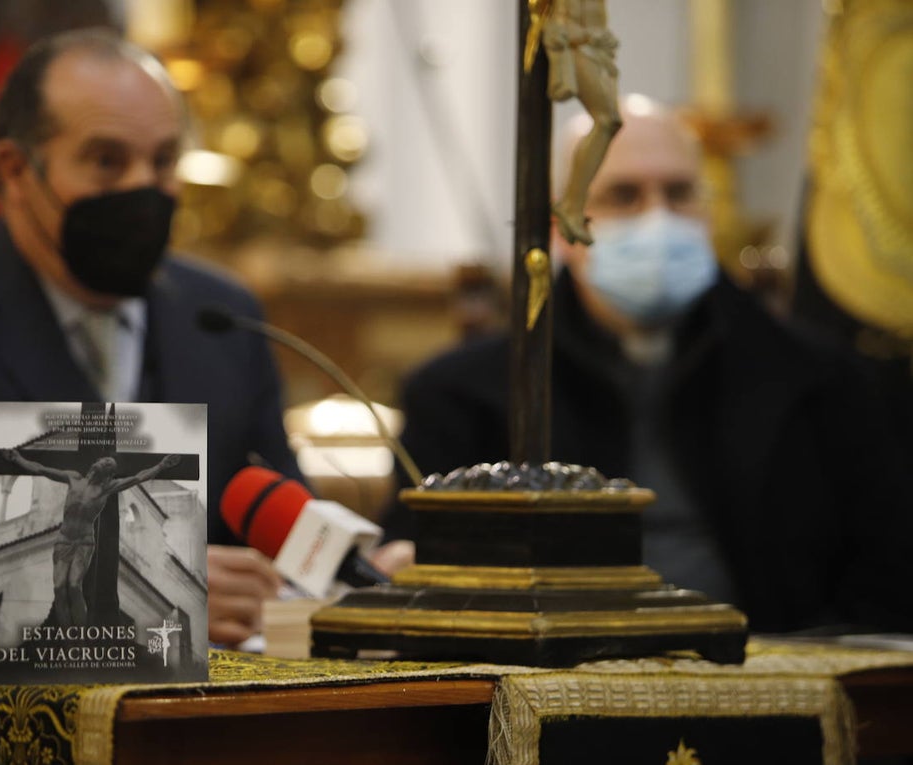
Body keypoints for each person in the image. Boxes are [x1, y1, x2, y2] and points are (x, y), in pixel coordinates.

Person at [0, 29, 293, 647]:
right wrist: (135, 599)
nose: (143, 188)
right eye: (107, 161)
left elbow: (279, 517)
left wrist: (353, 572)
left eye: (164, 161)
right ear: (15, 169)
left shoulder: (221, 318)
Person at [378, 95, 913, 635]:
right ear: (561, 227)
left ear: (708, 211)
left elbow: (886, 580)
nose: (658, 218)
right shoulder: (462, 396)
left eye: (679, 193)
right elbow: (414, 568)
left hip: (776, 668)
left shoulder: (820, 381)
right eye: (623, 195)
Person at [1, 450, 180, 625]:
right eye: (106, 461)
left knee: (74, 586)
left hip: (84, 542)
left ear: (109, 474)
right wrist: (18, 459)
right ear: (97, 463)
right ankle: (67, 634)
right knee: (59, 588)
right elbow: (41, 469)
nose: (107, 463)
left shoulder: (106, 488)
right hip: (64, 539)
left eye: (110, 465)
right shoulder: (74, 478)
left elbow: (137, 478)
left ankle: (81, 633)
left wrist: (161, 466)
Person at [543, 0, 621, 246]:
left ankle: (573, 204)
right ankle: (571, 204)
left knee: (610, 122)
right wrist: (588, 36)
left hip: (596, 47)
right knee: (607, 120)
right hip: (578, 45)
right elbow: (565, 22)